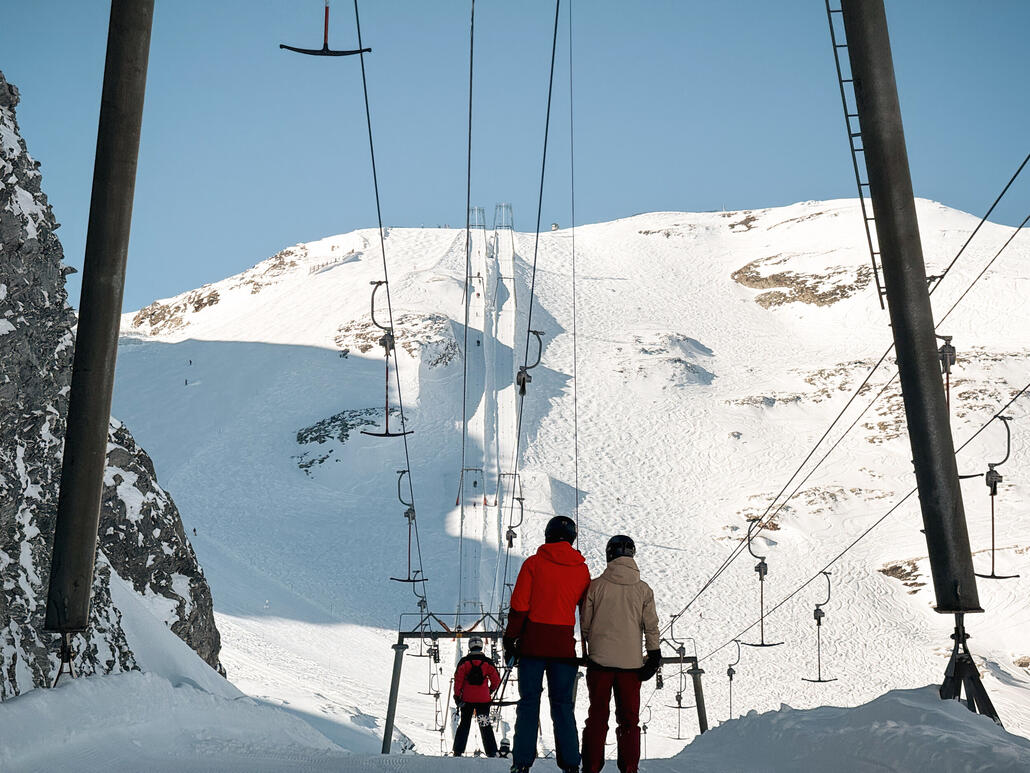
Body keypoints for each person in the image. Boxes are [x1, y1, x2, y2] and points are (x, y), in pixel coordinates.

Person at [504, 516, 591, 773]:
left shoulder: (533, 564)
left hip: (532, 646)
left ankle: (521, 763)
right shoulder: (581, 570)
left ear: (547, 535)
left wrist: (510, 638)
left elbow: (520, 606)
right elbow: (586, 613)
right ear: (572, 539)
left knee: (529, 703)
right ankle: (571, 764)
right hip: (564, 647)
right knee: (563, 705)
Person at [580, 535, 661, 773]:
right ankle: (629, 768)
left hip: (599, 663)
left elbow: (585, 624)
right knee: (629, 721)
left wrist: (590, 645)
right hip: (631, 666)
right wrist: (653, 655)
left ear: (609, 555)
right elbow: (651, 626)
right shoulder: (644, 589)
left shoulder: (596, 586)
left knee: (597, 717)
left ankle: (592, 767)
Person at [453, 636, 501, 757]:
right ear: (481, 646)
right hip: (483, 699)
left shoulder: (464, 662)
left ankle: (458, 750)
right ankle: (491, 751)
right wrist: (489, 691)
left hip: (467, 699)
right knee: (484, 722)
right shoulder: (487, 662)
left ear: (470, 647)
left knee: (464, 723)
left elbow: (458, 680)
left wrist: (457, 696)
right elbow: (496, 680)